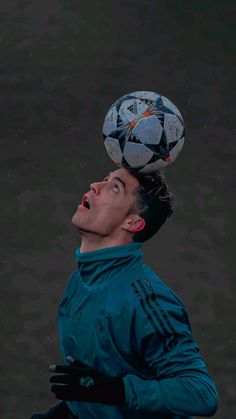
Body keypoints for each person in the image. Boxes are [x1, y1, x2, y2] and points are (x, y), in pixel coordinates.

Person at [31, 167, 219, 418]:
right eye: (105, 179)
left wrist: (114, 390)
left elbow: (201, 394)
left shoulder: (148, 300)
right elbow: (98, 379)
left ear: (132, 222)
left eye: (115, 187)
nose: (95, 185)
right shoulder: (79, 281)